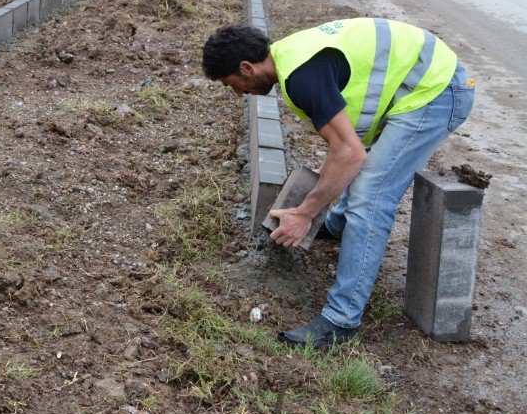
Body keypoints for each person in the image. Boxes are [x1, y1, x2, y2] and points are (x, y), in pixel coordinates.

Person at [202, 18, 475, 346]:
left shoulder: (302, 76)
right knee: (354, 171)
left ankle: (341, 320)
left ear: (246, 68)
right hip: (415, 84)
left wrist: (305, 213)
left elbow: (350, 153)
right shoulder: (290, 58)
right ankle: (339, 225)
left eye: (232, 84)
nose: (238, 93)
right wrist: (331, 174)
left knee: (370, 196)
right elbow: (345, 147)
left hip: (436, 90)